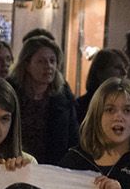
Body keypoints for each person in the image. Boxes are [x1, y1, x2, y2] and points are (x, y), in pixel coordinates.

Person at [9, 35, 79, 166]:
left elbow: (73, 139)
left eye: (52, 61)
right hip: (15, 165)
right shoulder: (11, 93)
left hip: (53, 168)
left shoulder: (63, 97)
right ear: (27, 64)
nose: (49, 66)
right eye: (41, 61)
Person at [73, 48, 130, 124]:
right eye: (117, 68)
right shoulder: (81, 106)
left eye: (125, 68)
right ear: (100, 72)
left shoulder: (129, 103)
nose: (124, 72)